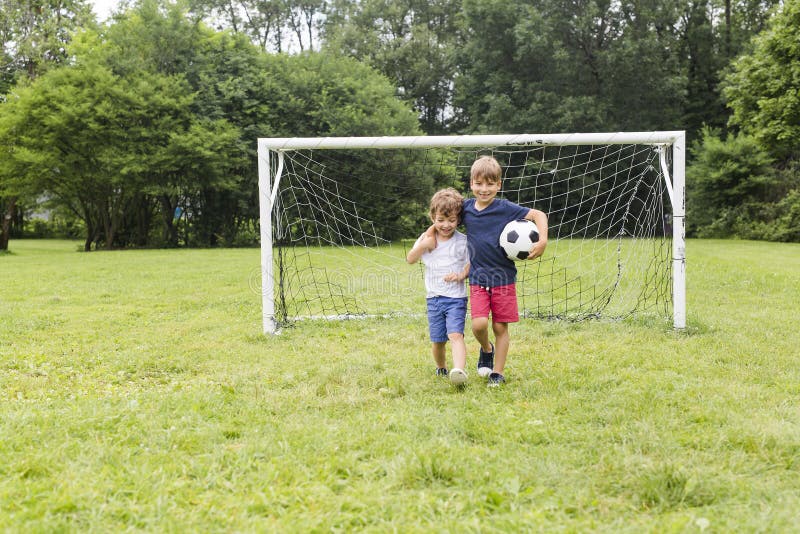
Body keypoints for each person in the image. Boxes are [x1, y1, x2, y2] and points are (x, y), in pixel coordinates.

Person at [462, 155, 548, 386]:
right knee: (478, 325)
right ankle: (486, 349)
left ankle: (497, 373)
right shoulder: (466, 209)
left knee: (500, 326)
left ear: (499, 185)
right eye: (479, 184)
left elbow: (539, 215)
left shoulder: (505, 208)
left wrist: (542, 241)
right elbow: (444, 216)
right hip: (478, 278)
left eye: (490, 184)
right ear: (471, 184)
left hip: (503, 280)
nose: (484, 189)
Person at [406, 188, 471, 385]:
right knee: (438, 340)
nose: (446, 225)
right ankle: (441, 368)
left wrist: (460, 275)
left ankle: (458, 370)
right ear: (433, 216)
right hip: (433, 298)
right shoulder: (427, 239)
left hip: (456, 298)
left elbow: (470, 264)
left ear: (458, 220)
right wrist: (424, 245)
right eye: (441, 220)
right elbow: (410, 259)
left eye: (451, 220)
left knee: (455, 334)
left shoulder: (462, 241)